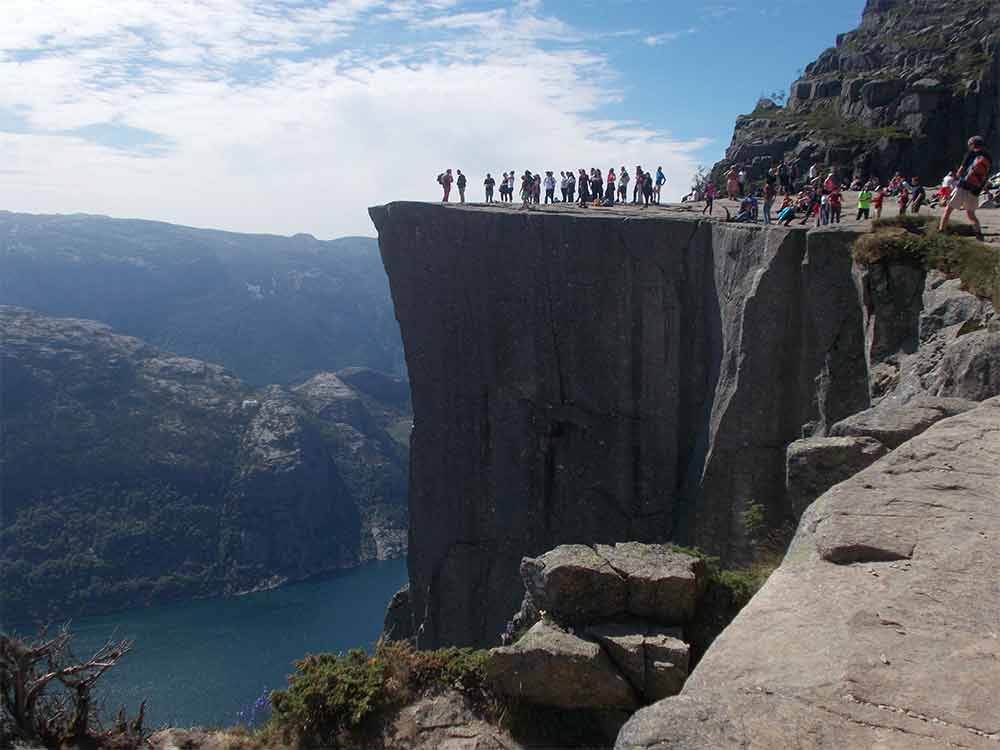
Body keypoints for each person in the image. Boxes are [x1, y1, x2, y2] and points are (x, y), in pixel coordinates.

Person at [940, 136, 992, 241]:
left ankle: (941, 231)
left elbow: (960, 171)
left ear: (972, 144)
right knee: (971, 214)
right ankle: (979, 235)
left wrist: (957, 179)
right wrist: (985, 190)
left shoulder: (971, 154)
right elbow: (985, 177)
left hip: (964, 186)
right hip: (976, 190)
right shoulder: (988, 157)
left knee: (948, 209)